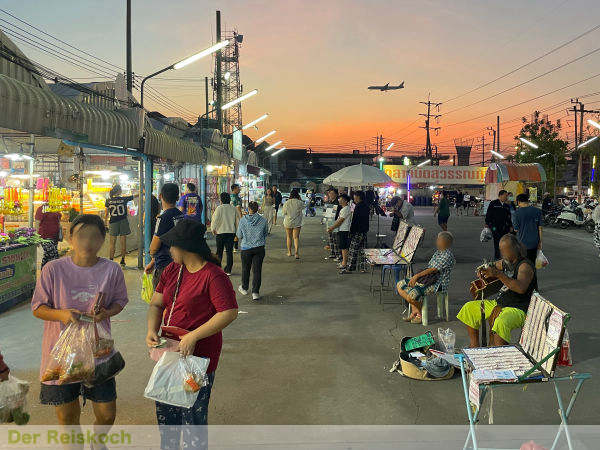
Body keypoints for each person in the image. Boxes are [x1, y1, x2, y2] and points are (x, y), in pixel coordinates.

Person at [146, 219, 238, 449]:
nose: (169, 250)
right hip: (169, 354)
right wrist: (151, 330)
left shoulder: (212, 275)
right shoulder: (173, 269)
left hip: (197, 359)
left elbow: (228, 312)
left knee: (192, 415)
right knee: (167, 412)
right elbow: (156, 304)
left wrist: (194, 335)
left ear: (184, 247)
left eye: (172, 246)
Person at [32, 214, 128, 433]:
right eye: (82, 236)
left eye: (94, 236)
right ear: (69, 238)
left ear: (103, 239)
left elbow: (120, 301)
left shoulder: (111, 270)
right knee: (67, 417)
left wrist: (107, 312)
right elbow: (38, 308)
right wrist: (63, 315)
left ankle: (97, 444)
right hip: (60, 356)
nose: (87, 242)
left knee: (107, 414)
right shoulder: (53, 269)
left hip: (98, 353)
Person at [457, 233, 537, 347]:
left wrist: (499, 274)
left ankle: (498, 353)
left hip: (519, 308)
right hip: (500, 303)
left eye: (505, 250)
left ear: (514, 250)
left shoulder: (525, 266)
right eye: (501, 250)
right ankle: (474, 346)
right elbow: (492, 265)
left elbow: (520, 288)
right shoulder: (505, 262)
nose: (502, 253)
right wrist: (482, 270)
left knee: (501, 322)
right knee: (469, 308)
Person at [397, 231, 456, 324]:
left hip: (437, 283)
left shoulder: (447, 255)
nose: (437, 242)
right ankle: (416, 311)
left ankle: (419, 314)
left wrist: (416, 276)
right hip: (428, 279)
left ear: (446, 243)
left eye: (439, 240)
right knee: (400, 285)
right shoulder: (438, 252)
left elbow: (432, 270)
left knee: (412, 295)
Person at [145, 183, 184, 289]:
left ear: (160, 196)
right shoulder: (180, 215)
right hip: (179, 265)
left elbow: (154, 248)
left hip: (164, 266)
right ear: (177, 197)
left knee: (160, 302)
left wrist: (153, 256)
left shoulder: (162, 218)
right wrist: (153, 262)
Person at [236, 201, 269, 300]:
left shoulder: (242, 220)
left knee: (245, 269)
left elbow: (239, 235)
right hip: (259, 248)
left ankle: (244, 288)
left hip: (246, 248)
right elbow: (266, 233)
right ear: (257, 209)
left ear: (249, 209)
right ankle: (255, 292)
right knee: (257, 270)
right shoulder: (263, 220)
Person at [104, 185, 137, 266]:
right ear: (118, 191)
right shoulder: (123, 199)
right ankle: (122, 260)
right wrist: (142, 192)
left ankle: (111, 260)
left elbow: (106, 214)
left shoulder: (108, 200)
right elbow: (134, 196)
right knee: (123, 242)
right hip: (123, 221)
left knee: (112, 243)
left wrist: (105, 224)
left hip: (113, 222)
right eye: (121, 189)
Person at [211, 192, 241, 275]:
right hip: (231, 233)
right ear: (229, 199)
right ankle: (228, 270)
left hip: (220, 233)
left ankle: (218, 269)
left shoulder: (219, 208)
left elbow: (215, 220)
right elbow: (238, 221)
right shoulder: (233, 208)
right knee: (229, 251)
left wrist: (213, 228)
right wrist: (238, 231)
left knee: (219, 251)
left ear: (221, 200)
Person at [342, 190, 370, 274]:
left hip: (357, 231)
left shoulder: (358, 206)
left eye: (355, 197)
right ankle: (363, 268)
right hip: (364, 231)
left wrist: (351, 231)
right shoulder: (366, 206)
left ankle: (349, 268)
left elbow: (355, 221)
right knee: (362, 250)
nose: (354, 199)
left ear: (359, 197)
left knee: (353, 250)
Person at [512, 193, 543, 263]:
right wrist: (540, 242)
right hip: (534, 243)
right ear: (527, 201)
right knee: (532, 264)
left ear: (518, 202)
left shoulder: (517, 213)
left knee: (522, 265)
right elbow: (540, 228)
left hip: (521, 243)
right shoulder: (537, 211)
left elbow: (516, 229)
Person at [485, 190, 512, 260]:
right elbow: (489, 214)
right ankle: (497, 257)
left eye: (507, 196)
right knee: (497, 241)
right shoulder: (493, 203)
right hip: (494, 227)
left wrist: (510, 226)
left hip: (504, 227)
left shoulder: (506, 206)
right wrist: (487, 223)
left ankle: (503, 256)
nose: (507, 197)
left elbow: (509, 217)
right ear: (500, 195)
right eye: (505, 196)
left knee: (504, 241)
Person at [327, 193, 351, 270]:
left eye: (341, 200)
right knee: (342, 246)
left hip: (344, 230)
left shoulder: (346, 209)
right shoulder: (343, 208)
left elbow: (340, 220)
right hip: (341, 229)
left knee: (343, 247)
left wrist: (332, 227)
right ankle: (343, 262)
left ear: (346, 201)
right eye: (339, 200)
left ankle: (344, 263)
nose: (339, 201)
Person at [35, 203, 61, 269]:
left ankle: (44, 274)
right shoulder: (42, 209)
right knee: (53, 257)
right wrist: (36, 237)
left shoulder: (55, 208)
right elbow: (37, 223)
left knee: (47, 257)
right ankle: (52, 275)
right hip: (45, 237)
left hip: (54, 237)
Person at [282, 189, 304, 258]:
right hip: (297, 222)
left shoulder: (287, 203)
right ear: (298, 195)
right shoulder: (300, 202)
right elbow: (304, 207)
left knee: (289, 237)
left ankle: (289, 252)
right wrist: (300, 199)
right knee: (296, 237)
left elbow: (283, 213)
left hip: (288, 222)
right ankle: (296, 253)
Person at [325, 188, 342, 260]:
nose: (330, 195)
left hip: (335, 222)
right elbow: (327, 213)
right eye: (329, 193)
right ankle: (333, 253)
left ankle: (338, 254)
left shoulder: (338, 202)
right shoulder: (330, 202)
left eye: (332, 193)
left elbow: (337, 213)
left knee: (336, 239)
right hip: (330, 221)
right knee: (331, 238)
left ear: (336, 194)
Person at [231, 184, 243, 252]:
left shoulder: (229, 196)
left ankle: (229, 246)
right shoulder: (237, 198)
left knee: (231, 231)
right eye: (238, 188)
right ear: (234, 189)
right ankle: (235, 247)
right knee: (236, 232)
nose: (239, 189)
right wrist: (241, 217)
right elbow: (238, 208)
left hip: (229, 216)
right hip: (236, 216)